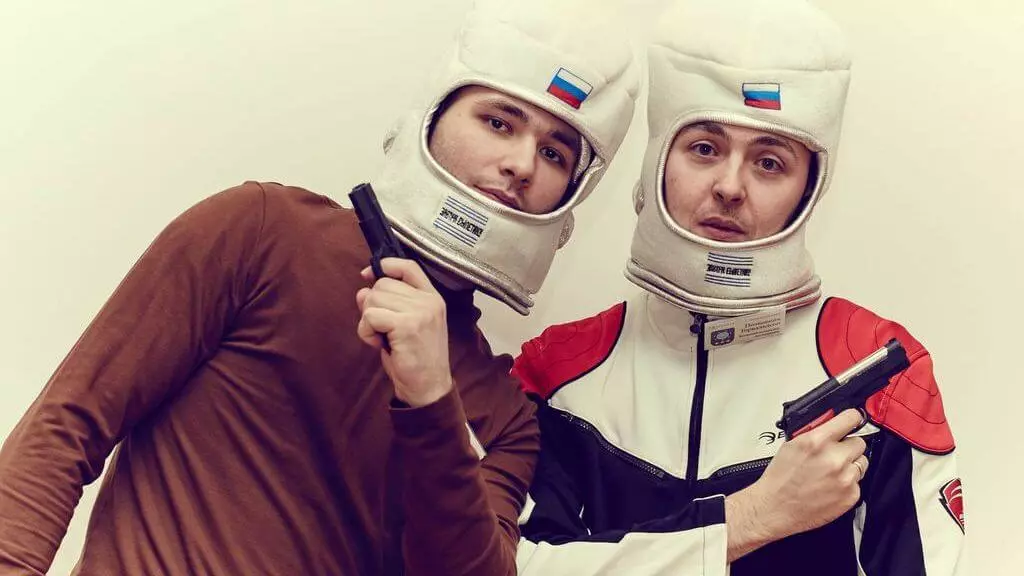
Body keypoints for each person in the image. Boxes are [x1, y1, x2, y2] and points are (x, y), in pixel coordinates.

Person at [0, 0, 640, 573]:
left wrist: (431, 403)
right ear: (434, 114)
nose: (521, 164)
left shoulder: (506, 419)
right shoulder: (259, 232)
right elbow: (66, 427)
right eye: (499, 122)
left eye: (554, 154)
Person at [512, 0, 965, 574]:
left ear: (810, 188)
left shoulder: (879, 368)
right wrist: (748, 521)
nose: (730, 186)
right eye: (704, 148)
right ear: (658, 160)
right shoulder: (556, 368)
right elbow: (507, 566)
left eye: (770, 162)